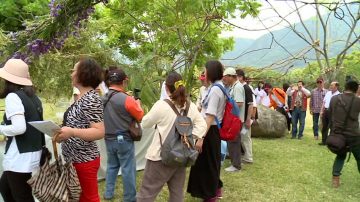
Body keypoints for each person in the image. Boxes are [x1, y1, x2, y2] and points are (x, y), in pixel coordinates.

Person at [137, 72, 206, 202]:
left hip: (159, 157)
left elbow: (145, 123)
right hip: (181, 155)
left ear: (167, 88)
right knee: (177, 195)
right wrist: (189, 136)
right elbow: (202, 125)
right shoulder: (190, 106)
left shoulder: (161, 105)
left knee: (147, 194)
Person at [54, 58, 105, 202]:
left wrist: (72, 132)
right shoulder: (82, 98)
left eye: (74, 70)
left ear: (83, 74)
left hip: (84, 160)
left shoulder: (90, 99)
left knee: (89, 198)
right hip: (75, 159)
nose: (72, 74)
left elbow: (99, 131)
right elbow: (79, 124)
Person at [0, 59, 43, 202]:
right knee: (5, 189)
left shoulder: (13, 97)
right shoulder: (33, 97)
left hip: (19, 157)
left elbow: (19, 128)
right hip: (32, 152)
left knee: (22, 197)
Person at [102, 67, 144, 201]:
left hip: (108, 138)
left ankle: (108, 193)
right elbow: (140, 115)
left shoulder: (103, 98)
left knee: (112, 166)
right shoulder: (127, 99)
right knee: (128, 169)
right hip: (124, 139)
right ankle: (130, 198)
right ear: (123, 81)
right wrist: (138, 103)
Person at [187, 60, 226, 201]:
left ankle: (210, 196)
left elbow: (210, 116)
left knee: (208, 166)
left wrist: (200, 137)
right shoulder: (215, 87)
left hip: (209, 131)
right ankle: (216, 189)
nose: (204, 72)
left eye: (206, 70)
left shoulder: (215, 89)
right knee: (210, 163)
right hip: (210, 130)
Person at [329, 80, 360, 188]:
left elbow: (331, 115)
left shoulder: (334, 98)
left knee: (341, 155)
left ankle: (335, 180)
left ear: (345, 86)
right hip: (354, 135)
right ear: (356, 89)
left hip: (338, 134)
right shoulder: (357, 100)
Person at [222, 68, 245, 172]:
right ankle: (235, 162)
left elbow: (239, 103)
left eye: (226, 77)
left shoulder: (238, 87)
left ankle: (236, 165)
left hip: (236, 119)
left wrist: (228, 105)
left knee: (234, 141)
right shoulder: (233, 87)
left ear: (231, 76)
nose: (224, 79)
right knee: (232, 141)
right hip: (232, 119)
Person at [237, 69, 254, 164]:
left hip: (245, 119)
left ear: (241, 77)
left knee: (245, 137)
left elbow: (250, 104)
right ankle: (244, 155)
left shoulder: (246, 88)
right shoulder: (240, 88)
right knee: (242, 137)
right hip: (241, 118)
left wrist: (248, 119)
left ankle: (248, 157)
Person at [319, 81, 340, 145]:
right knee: (324, 126)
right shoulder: (328, 93)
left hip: (333, 112)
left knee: (332, 127)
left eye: (332, 85)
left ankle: (330, 142)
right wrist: (321, 111)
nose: (330, 86)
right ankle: (324, 141)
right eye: (330, 85)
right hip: (325, 111)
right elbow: (324, 102)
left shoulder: (339, 95)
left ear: (336, 86)